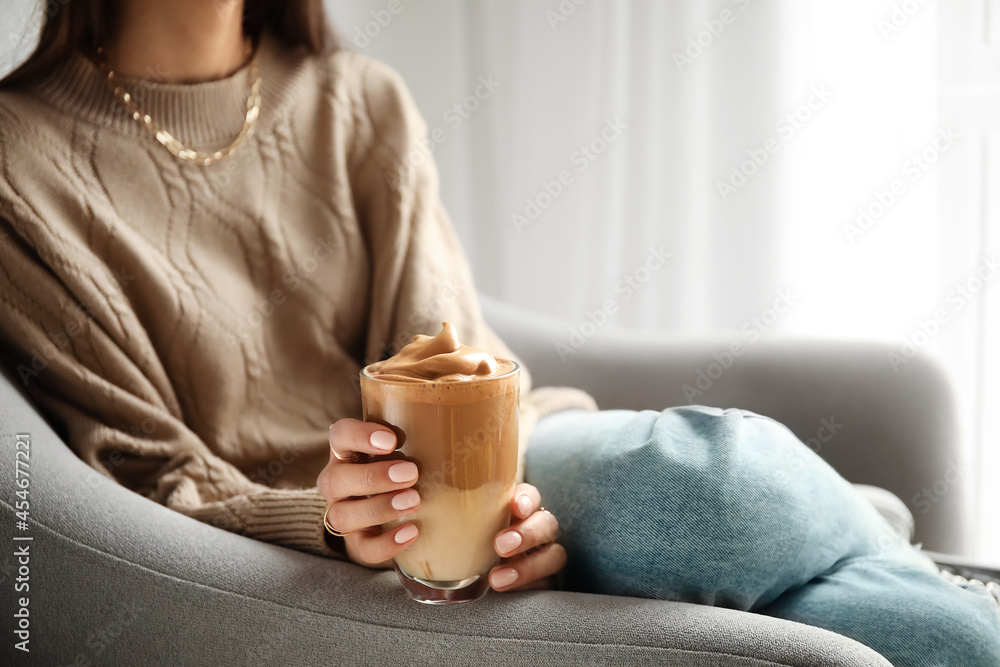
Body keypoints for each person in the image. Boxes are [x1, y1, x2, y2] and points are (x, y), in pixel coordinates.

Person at [0, 2, 995, 664]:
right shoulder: (20, 162)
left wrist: (494, 496)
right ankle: (856, 534)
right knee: (744, 522)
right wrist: (334, 521)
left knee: (708, 478)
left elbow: (452, 358)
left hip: (504, 470)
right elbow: (143, 469)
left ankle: (828, 532)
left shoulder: (357, 99)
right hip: (316, 544)